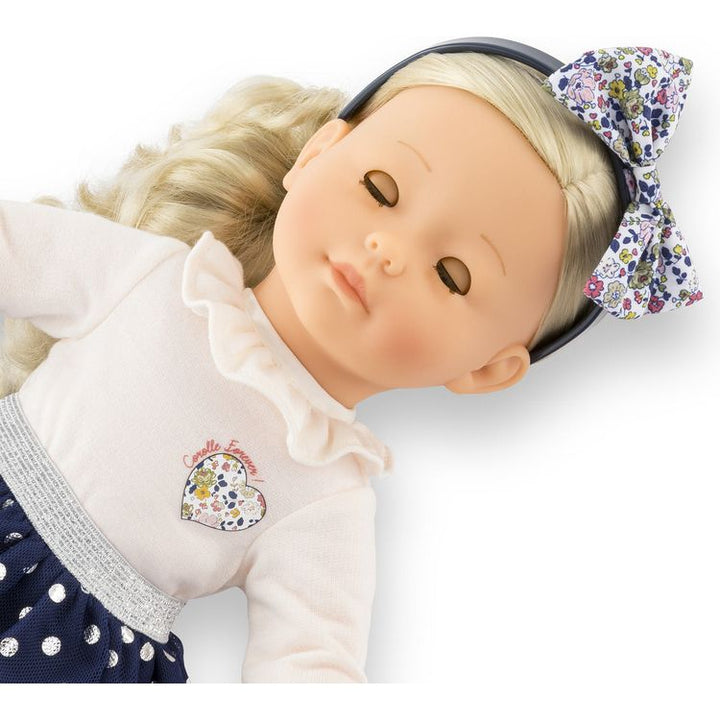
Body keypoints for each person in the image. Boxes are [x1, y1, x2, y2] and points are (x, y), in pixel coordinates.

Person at [0, 39, 699, 682]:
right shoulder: (155, 279)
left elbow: (309, 663)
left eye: (451, 274)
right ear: (317, 153)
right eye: (380, 189)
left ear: (487, 369)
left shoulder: (325, 497)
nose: (387, 250)